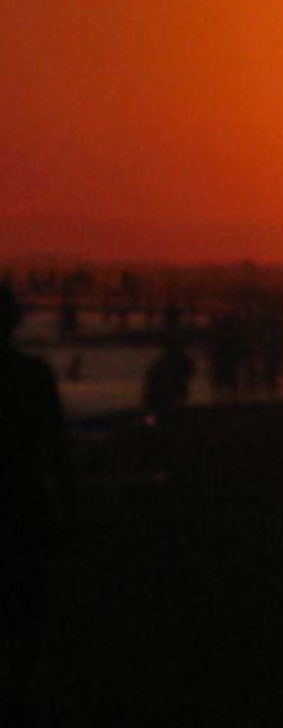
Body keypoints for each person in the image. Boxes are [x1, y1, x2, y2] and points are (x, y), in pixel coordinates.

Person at [0, 282, 75, 724]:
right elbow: (56, 449)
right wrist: (70, 505)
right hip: (27, 503)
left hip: (24, 502)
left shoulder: (34, 376)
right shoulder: (34, 376)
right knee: (26, 611)